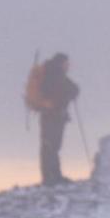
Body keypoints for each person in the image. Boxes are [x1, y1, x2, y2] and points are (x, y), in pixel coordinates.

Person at [37, 52, 80, 186]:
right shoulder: (54, 76)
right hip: (52, 116)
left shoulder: (54, 75)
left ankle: (52, 176)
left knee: (51, 146)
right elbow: (71, 89)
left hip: (52, 116)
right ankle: (51, 177)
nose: (68, 66)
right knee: (50, 145)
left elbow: (72, 89)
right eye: (66, 63)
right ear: (61, 63)